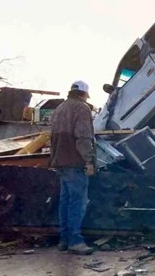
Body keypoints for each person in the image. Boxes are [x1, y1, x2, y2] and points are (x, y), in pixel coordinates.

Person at [49, 80, 96, 255]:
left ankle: (64, 240)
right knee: (78, 203)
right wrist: (89, 161)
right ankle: (75, 241)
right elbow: (83, 137)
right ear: (84, 94)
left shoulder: (59, 109)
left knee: (65, 202)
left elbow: (52, 138)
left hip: (60, 161)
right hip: (75, 162)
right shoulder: (82, 108)